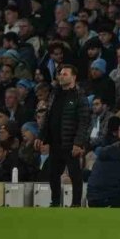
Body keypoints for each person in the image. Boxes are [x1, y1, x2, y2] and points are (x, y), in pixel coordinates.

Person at [38, 64, 91, 207]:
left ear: (74, 77)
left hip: (70, 142)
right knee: (53, 174)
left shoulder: (80, 96)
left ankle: (75, 204)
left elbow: (84, 122)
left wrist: (78, 143)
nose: (61, 76)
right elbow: (48, 117)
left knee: (75, 174)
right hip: (55, 142)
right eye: (60, 74)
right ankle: (55, 202)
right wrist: (41, 136)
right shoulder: (54, 94)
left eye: (65, 74)